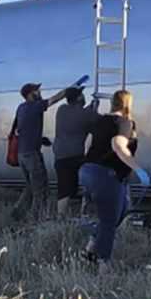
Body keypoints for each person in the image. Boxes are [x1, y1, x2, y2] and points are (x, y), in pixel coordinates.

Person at [79, 90, 150, 262]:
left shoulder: (100, 120)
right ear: (127, 104)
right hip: (106, 175)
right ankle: (104, 268)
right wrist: (139, 170)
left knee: (118, 214)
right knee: (110, 221)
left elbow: (89, 143)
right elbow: (118, 145)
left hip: (89, 170)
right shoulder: (125, 122)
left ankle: (89, 251)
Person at [11, 82, 71, 220]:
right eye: (37, 91)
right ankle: (36, 219)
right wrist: (69, 90)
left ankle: (17, 212)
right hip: (32, 155)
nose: (40, 92)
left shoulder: (21, 108)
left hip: (22, 154)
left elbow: (22, 129)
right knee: (40, 190)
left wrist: (40, 139)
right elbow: (53, 100)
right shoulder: (35, 106)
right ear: (30, 94)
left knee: (30, 187)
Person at [52, 87, 99, 216]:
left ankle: (60, 217)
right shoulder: (85, 114)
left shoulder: (61, 110)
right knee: (88, 183)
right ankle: (85, 213)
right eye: (82, 95)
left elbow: (79, 116)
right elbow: (94, 120)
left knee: (64, 189)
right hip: (75, 156)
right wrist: (95, 106)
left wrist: (91, 107)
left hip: (60, 156)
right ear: (79, 98)